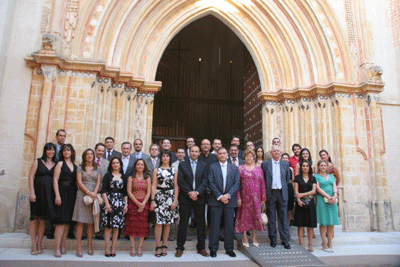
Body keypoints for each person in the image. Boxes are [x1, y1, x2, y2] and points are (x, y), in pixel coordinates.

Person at [175, 146, 209, 257]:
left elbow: (205, 181)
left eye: (196, 151)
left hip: (200, 198)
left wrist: (197, 192)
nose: (194, 153)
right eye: (192, 151)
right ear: (188, 153)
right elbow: (180, 180)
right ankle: (180, 247)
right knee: (183, 223)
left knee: (200, 224)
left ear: (199, 153)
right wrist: (190, 192)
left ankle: (201, 248)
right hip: (186, 197)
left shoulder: (203, 165)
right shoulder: (182, 164)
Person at [208, 147, 240, 258]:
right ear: (217, 155)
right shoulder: (212, 167)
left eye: (224, 153)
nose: (222, 155)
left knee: (229, 226)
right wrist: (220, 196)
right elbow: (210, 182)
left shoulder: (234, 168)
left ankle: (229, 248)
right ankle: (213, 249)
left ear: (227, 154)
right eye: (220, 153)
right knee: (215, 226)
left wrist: (228, 195)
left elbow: (237, 183)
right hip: (216, 200)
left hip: (230, 201)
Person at [28, 143, 57, 255]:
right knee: (34, 219)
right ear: (45, 151)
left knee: (43, 220)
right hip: (37, 193)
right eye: (49, 150)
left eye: (52, 150)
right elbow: (31, 176)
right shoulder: (38, 161)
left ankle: (39, 243)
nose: (51, 152)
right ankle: (33, 245)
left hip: (49, 194)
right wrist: (32, 192)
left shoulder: (55, 164)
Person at [72, 148, 101, 257]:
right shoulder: (80, 168)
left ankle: (89, 246)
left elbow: (98, 182)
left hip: (93, 196)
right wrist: (88, 192)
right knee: (80, 222)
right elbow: (79, 182)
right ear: (84, 156)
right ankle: (78, 248)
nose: (89, 156)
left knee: (90, 223)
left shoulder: (97, 168)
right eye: (87, 154)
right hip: (82, 195)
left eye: (91, 154)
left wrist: (94, 193)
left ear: (94, 156)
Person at [261, 145, 291, 249]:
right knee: (272, 218)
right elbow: (263, 180)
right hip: (271, 193)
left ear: (281, 152)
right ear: (271, 152)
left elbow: (287, 179)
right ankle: (273, 239)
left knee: (283, 218)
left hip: (282, 193)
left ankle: (285, 240)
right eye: (274, 151)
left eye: (278, 151)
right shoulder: (265, 164)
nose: (276, 152)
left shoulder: (285, 164)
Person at [150, 150, 179, 257]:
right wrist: (152, 200)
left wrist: (175, 201)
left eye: (167, 156)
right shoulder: (156, 170)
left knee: (167, 223)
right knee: (158, 222)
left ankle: (164, 245)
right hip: (159, 197)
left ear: (170, 158)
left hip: (170, 197)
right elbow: (153, 185)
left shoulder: (174, 170)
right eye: (163, 156)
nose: (165, 158)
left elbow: (176, 186)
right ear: (161, 158)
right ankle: (157, 246)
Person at [235, 149, 266, 248]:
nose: (249, 158)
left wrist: (263, 198)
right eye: (247, 156)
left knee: (255, 217)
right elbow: (237, 185)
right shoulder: (240, 168)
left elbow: (262, 184)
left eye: (251, 156)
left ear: (254, 157)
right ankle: (244, 237)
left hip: (256, 198)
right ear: (244, 157)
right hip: (244, 198)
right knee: (244, 217)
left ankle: (254, 237)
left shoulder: (259, 169)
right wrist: (238, 198)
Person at [52, 144, 78, 257]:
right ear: (62, 152)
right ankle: (57, 248)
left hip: (72, 193)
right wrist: (57, 195)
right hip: (62, 192)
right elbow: (55, 180)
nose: (67, 152)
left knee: (67, 222)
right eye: (65, 150)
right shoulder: (60, 164)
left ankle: (63, 246)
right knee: (60, 222)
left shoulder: (75, 165)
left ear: (72, 152)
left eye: (69, 150)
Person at [101, 157, 128, 257]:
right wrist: (107, 204)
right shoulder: (107, 176)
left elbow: (125, 192)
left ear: (120, 164)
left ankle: (113, 247)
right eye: (114, 163)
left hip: (120, 203)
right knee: (108, 226)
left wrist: (126, 204)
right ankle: (107, 247)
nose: (116, 164)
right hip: (109, 202)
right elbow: (103, 190)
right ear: (111, 165)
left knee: (116, 227)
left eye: (117, 163)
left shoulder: (124, 177)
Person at [124, 159, 151, 257]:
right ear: (135, 166)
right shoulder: (131, 178)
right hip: (133, 203)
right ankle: (132, 248)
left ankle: (139, 247)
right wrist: (137, 203)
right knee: (132, 226)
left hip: (144, 204)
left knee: (142, 226)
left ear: (144, 167)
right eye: (138, 164)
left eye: (142, 165)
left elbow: (148, 192)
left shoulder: (147, 178)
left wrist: (143, 203)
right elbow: (129, 191)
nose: (140, 166)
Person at [315, 160, 340, 253]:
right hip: (322, 200)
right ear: (318, 167)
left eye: (324, 165)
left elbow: (334, 186)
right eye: (321, 165)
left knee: (331, 222)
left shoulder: (332, 176)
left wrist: (335, 195)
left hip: (332, 201)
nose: (323, 167)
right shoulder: (316, 176)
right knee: (324, 222)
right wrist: (328, 196)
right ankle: (324, 243)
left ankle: (330, 243)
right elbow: (318, 188)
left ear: (327, 167)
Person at [293, 161, 317, 252]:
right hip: (300, 203)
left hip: (310, 203)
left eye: (307, 166)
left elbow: (313, 191)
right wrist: (298, 200)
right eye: (303, 166)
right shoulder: (297, 178)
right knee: (301, 225)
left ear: (309, 168)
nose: (305, 167)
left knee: (310, 225)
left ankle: (310, 245)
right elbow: (296, 192)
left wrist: (301, 195)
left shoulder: (313, 178)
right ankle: (301, 244)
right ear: (301, 167)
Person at [94, 143, 108, 240]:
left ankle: (99, 232)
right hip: (90, 189)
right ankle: (86, 233)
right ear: (95, 150)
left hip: (102, 191)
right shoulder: (89, 160)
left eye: (102, 151)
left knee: (100, 212)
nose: (100, 152)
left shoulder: (107, 163)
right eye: (99, 150)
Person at [281, 153, 295, 226]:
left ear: (289, 160)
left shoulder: (291, 169)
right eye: (283, 158)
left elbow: (292, 180)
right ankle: (283, 222)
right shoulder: (279, 168)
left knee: (290, 207)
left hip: (289, 187)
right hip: (282, 186)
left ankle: (288, 222)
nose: (285, 159)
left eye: (286, 158)